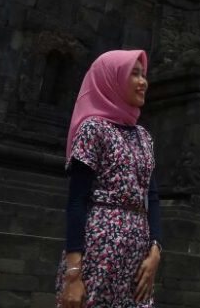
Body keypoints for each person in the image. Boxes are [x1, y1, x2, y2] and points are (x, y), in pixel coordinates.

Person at [57, 50, 162, 308]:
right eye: (134, 74)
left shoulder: (144, 136)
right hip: (98, 251)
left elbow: (152, 195)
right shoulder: (93, 129)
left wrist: (156, 251)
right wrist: (73, 275)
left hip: (138, 258)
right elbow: (77, 201)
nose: (143, 82)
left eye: (144, 75)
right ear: (113, 79)